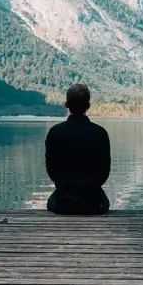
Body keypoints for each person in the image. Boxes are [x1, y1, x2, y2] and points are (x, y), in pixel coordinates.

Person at [44, 83, 110, 215]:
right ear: (88, 106)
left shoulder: (55, 132)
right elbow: (104, 172)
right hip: (94, 203)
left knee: (52, 201)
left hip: (63, 203)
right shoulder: (100, 133)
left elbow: (51, 170)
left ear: (66, 104)